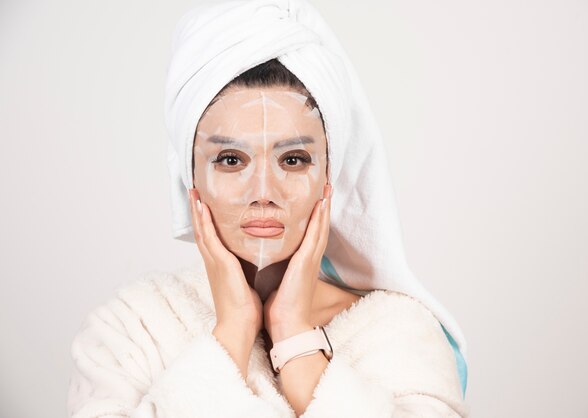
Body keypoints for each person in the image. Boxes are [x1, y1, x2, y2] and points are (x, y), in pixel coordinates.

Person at [67, 1, 469, 417]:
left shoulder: (398, 331)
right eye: (230, 160)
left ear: (329, 176)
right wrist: (233, 331)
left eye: (293, 159)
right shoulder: (133, 327)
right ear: (191, 177)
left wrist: (295, 336)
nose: (263, 192)